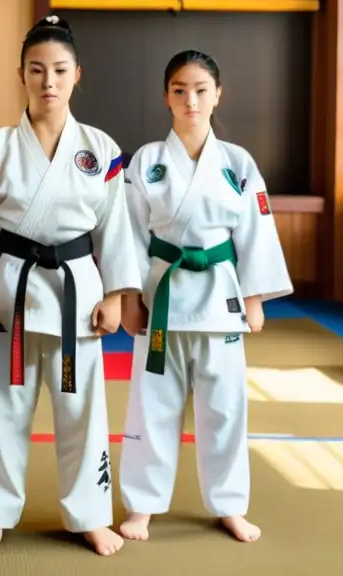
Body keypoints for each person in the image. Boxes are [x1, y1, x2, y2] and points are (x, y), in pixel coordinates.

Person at [0, 15, 141, 558]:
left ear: (76, 74)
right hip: (10, 293)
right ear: (21, 74)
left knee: (83, 413)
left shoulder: (99, 147)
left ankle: (89, 514)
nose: (49, 81)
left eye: (60, 70)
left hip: (77, 296)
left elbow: (116, 228)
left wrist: (116, 295)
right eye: (37, 70)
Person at [117, 49, 293, 544]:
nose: (190, 99)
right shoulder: (147, 161)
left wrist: (255, 296)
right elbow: (129, 232)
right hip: (162, 295)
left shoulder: (238, 162)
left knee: (226, 409)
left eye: (200, 89)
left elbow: (256, 231)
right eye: (179, 90)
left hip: (221, 296)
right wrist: (130, 295)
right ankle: (142, 505)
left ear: (217, 95)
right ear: (166, 97)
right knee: (151, 407)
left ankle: (229, 504)